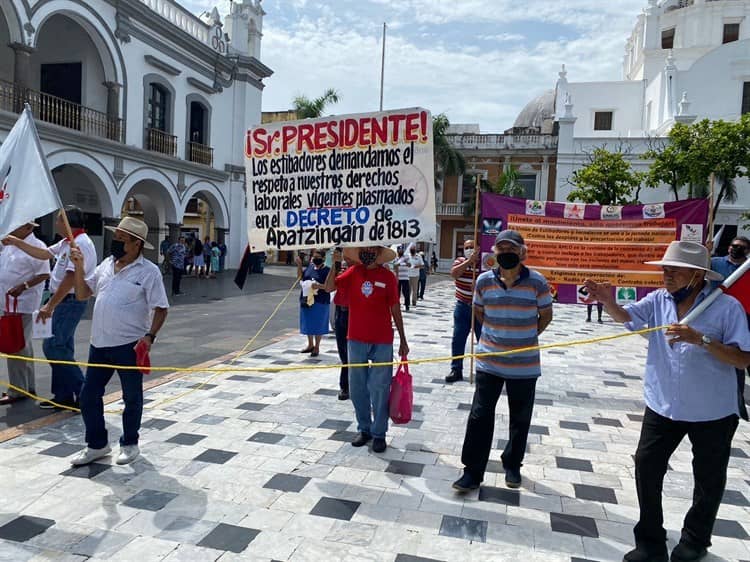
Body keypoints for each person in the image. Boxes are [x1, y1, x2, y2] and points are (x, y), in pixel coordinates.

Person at [583, 241, 750, 562]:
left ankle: (695, 540)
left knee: (708, 478)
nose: (667, 275)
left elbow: (742, 359)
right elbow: (628, 317)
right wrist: (608, 302)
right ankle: (649, 541)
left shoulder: (726, 308)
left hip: (711, 409)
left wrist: (700, 339)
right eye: (665, 269)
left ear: (698, 275)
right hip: (663, 403)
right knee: (647, 465)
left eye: (675, 270)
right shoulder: (659, 299)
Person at [453, 230, 553, 491]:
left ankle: (512, 463)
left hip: (524, 363)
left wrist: (526, 337)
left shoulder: (538, 282)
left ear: (522, 252)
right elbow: (478, 311)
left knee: (520, 418)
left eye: (512, 249)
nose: (506, 253)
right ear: (495, 252)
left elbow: (546, 316)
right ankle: (472, 472)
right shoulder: (484, 281)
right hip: (490, 362)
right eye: (501, 249)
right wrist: (495, 338)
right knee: (479, 416)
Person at [69, 217, 169, 466]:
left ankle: (129, 443)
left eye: (122, 239)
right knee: (88, 396)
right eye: (116, 237)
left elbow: (161, 308)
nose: (116, 243)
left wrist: (150, 336)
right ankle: (97, 444)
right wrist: (79, 267)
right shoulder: (105, 264)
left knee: (132, 397)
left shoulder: (149, 272)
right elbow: (82, 294)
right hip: (99, 344)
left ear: (137, 244)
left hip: (130, 345)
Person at [2, 206, 97, 410]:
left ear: (67, 223)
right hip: (64, 300)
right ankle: (63, 395)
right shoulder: (66, 242)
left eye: (58, 220)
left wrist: (50, 305)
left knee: (53, 346)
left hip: (70, 300)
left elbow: (71, 279)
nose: (55, 223)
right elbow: (45, 254)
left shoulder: (80, 244)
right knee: (63, 347)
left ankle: (83, 392)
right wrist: (16, 242)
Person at [324, 245, 409, 453]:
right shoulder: (353, 272)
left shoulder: (388, 277)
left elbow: (395, 308)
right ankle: (364, 428)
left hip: (382, 339)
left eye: (372, 248)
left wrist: (403, 340)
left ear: (379, 254)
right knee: (357, 387)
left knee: (379, 388)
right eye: (364, 248)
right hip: (356, 338)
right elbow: (329, 288)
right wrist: (334, 265)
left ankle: (379, 432)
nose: (367, 251)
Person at [0, 222, 50, 405]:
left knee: (16, 346)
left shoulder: (37, 247)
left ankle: (17, 390)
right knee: (23, 346)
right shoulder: (10, 244)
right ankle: (26, 387)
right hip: (8, 303)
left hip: (22, 303)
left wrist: (24, 286)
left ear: (28, 228)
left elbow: (44, 273)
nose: (11, 228)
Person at [446, 239, 482, 384]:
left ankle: (483, 370)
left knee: (483, 339)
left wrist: (478, 289)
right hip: (462, 306)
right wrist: (469, 261)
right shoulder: (460, 261)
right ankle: (456, 369)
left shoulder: (485, 262)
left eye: (472, 247)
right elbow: (454, 274)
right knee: (458, 339)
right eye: (466, 247)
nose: (469, 249)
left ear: (478, 248)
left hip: (480, 308)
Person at [295, 249, 330, 357]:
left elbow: (329, 286)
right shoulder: (310, 267)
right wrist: (299, 265)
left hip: (320, 300)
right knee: (308, 322)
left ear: (323, 258)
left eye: (318, 257)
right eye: (314, 257)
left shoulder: (327, 270)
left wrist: (318, 286)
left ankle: (317, 346)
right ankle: (310, 344)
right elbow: (300, 278)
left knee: (318, 323)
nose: (316, 259)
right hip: (307, 299)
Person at [332, 255, 350, 400]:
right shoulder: (339, 274)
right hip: (340, 313)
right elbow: (328, 286)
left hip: (353, 314)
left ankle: (349, 385)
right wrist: (334, 265)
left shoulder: (356, 271)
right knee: (343, 353)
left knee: (352, 354)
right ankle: (345, 386)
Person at [394, 245, 411, 311]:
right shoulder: (396, 258)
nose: (401, 251)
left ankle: (407, 305)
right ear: (398, 251)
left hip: (405, 277)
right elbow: (395, 266)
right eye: (399, 250)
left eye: (402, 250)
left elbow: (409, 265)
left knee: (406, 292)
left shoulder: (406, 257)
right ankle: (397, 305)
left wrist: (403, 263)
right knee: (397, 293)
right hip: (398, 278)